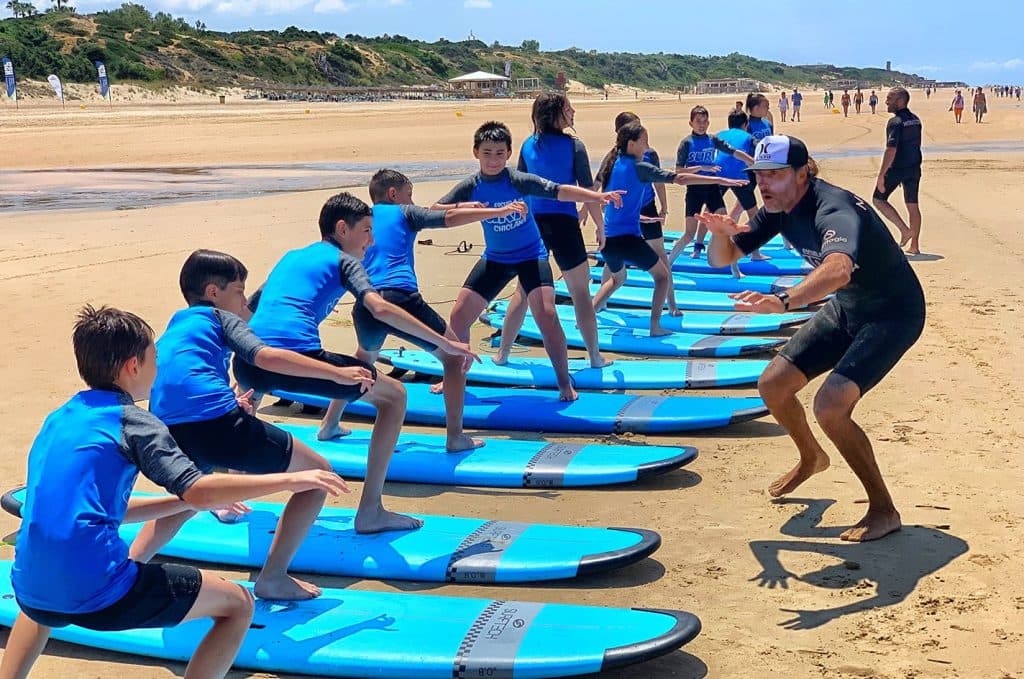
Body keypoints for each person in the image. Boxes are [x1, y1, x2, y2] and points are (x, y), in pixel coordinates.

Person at [0, 305, 348, 679]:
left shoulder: (62, 418)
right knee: (238, 604)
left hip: (28, 585)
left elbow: (105, 509)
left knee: (46, 596)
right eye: (154, 356)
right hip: (100, 594)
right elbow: (198, 489)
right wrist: (292, 479)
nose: (159, 364)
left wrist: (182, 502)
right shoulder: (135, 423)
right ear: (134, 366)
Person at [700, 134, 926, 542]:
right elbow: (724, 257)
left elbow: (838, 270)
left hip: (893, 313)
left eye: (775, 174)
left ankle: (883, 508)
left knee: (830, 405)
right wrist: (721, 234)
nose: (763, 184)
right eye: (759, 175)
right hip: (849, 308)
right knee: (772, 385)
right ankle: (811, 456)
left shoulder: (833, 209)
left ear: (803, 173)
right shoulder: (778, 208)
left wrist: (783, 301)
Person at [144, 249, 393, 598]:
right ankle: (273, 577)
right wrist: (338, 372)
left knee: (189, 500)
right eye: (239, 291)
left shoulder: (177, 323)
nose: (246, 301)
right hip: (214, 422)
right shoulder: (219, 318)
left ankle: (128, 564)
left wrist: (230, 402)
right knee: (316, 476)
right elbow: (266, 357)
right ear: (214, 293)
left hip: (170, 427)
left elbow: (180, 376)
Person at [233, 192, 480, 526]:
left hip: (249, 361)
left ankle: (230, 496)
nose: (371, 240)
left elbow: (248, 312)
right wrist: (445, 343)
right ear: (342, 229)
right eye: (366, 230)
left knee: (250, 392)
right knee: (394, 397)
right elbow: (378, 307)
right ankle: (370, 512)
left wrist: (236, 369)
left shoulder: (291, 256)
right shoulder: (345, 261)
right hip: (297, 359)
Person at [432, 121, 622, 435]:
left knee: (546, 314)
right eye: (487, 153)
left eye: (499, 153)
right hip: (494, 259)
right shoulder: (471, 185)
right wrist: (468, 206)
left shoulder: (517, 180)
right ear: (476, 153)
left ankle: (564, 380)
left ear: (508, 154)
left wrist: (596, 197)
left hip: (530, 256)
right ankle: (454, 376)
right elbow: (438, 209)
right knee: (458, 316)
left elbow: (558, 191)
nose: (493, 159)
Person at [350, 169, 526, 450]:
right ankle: (456, 437)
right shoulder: (404, 212)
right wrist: (498, 211)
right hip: (400, 300)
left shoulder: (362, 221)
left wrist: (468, 205)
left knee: (362, 361)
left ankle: (329, 424)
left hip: (366, 304)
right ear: (394, 194)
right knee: (455, 359)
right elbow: (447, 219)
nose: (412, 201)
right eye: (409, 195)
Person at [591, 121, 745, 336]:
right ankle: (654, 327)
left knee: (617, 279)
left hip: (608, 239)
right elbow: (679, 178)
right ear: (632, 143)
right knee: (662, 277)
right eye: (643, 141)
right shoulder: (640, 167)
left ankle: (586, 317)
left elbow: (618, 203)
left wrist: (641, 218)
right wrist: (720, 179)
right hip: (626, 240)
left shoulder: (614, 163)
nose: (646, 146)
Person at [493, 93, 611, 369]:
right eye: (568, 108)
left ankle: (503, 354)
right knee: (580, 292)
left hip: (532, 225)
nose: (573, 111)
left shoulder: (526, 145)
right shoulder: (574, 146)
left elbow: (519, 187)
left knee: (523, 290)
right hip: (564, 224)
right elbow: (588, 192)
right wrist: (600, 226)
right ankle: (594, 357)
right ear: (556, 114)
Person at [591, 111, 680, 313]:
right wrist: (589, 209)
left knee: (661, 258)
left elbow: (658, 181)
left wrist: (664, 206)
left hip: (647, 207)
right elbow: (598, 184)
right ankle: (600, 304)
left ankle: (672, 304)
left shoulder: (650, 153)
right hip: (624, 212)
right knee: (613, 265)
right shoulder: (613, 158)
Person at [666, 106, 755, 262]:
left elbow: (734, 152)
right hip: (694, 190)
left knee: (725, 228)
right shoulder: (686, 143)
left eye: (705, 121)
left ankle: (734, 267)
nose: (702, 125)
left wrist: (752, 161)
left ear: (708, 123)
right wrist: (701, 167)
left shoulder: (712, 140)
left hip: (712, 189)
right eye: (698, 121)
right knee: (689, 234)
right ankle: (669, 264)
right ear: (690, 123)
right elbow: (679, 171)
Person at [872, 86, 923, 255]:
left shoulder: (895, 122)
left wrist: (881, 175)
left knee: (878, 199)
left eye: (890, 98)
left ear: (900, 101)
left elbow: (891, 150)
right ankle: (914, 246)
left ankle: (904, 230)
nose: (886, 101)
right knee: (913, 205)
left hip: (898, 168)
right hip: (914, 167)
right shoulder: (916, 119)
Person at [716, 111, 763, 255]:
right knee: (753, 213)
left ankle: (698, 248)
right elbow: (758, 154)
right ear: (745, 125)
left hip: (718, 174)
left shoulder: (719, 135)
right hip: (739, 177)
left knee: (709, 211)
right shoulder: (749, 136)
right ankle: (755, 253)